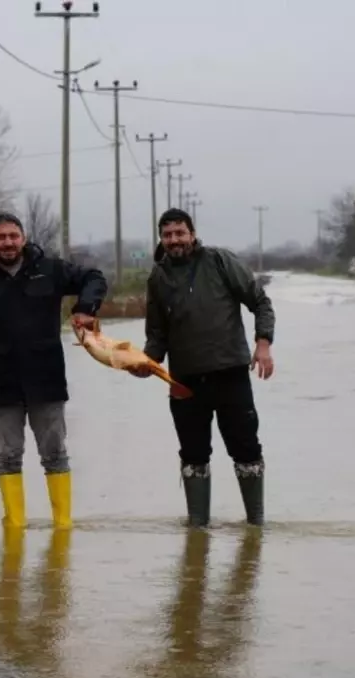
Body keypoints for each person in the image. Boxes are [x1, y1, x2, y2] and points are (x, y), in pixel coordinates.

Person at [0, 213, 108, 531]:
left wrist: (85, 308)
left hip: (47, 380)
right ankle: (15, 528)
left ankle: (62, 527)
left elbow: (95, 277)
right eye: (1, 237)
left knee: (55, 453)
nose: (8, 242)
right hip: (3, 384)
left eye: (13, 236)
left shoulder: (50, 270)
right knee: (8, 455)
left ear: (23, 238)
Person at [129, 208, 274, 527]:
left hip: (230, 374)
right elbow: (157, 334)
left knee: (246, 448)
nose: (174, 240)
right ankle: (197, 530)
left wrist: (263, 344)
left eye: (180, 233)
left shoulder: (220, 261)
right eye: (167, 235)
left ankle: (256, 526)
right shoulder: (158, 277)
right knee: (193, 455)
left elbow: (260, 301)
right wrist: (146, 362)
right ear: (161, 239)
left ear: (192, 234)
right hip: (184, 382)